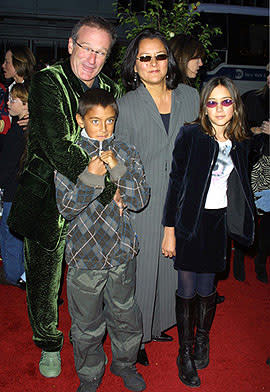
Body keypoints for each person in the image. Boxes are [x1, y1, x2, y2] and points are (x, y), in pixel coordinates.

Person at [7, 16, 121, 378]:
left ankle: (91, 336)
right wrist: (107, 185)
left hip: (93, 197)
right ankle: (49, 343)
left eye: (101, 52)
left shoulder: (110, 87)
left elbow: (114, 142)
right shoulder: (48, 80)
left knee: (94, 272)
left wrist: (116, 178)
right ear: (71, 45)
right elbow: (57, 146)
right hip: (47, 195)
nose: (92, 58)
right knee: (44, 276)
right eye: (86, 47)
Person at [161, 76, 269, 388]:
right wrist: (170, 230)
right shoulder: (191, 134)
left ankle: (202, 339)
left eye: (226, 102)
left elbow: (242, 185)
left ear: (235, 107)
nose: (219, 108)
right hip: (189, 222)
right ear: (204, 106)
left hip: (218, 222)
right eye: (212, 102)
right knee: (187, 289)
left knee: (208, 288)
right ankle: (185, 352)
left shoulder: (242, 141)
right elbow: (175, 183)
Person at [55, 88, 150, 392]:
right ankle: (90, 375)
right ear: (80, 120)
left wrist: (117, 170)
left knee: (126, 315)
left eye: (110, 121)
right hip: (84, 257)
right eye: (96, 121)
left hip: (121, 253)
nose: (104, 128)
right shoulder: (69, 155)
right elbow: (67, 208)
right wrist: (92, 177)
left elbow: (140, 200)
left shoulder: (126, 151)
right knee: (86, 325)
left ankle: (125, 364)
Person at [115, 28, 199, 366]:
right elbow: (116, 157)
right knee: (140, 270)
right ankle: (135, 336)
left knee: (170, 266)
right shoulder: (124, 105)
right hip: (142, 201)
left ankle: (161, 322)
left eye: (160, 56)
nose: (153, 63)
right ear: (134, 65)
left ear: (170, 61)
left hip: (181, 196)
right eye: (145, 57)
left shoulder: (191, 97)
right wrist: (120, 192)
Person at [233, 63, 269, 283]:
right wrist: (253, 131)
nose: (268, 78)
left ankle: (260, 263)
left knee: (267, 222)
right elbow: (238, 129)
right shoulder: (252, 98)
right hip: (255, 164)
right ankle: (238, 258)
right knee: (247, 213)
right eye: (267, 73)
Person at [0, 83, 29, 289]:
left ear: (26, 105)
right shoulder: (29, 128)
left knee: (11, 236)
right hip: (22, 191)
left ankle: (13, 276)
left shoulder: (18, 131)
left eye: (13, 100)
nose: (8, 103)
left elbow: (6, 167)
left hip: (14, 192)